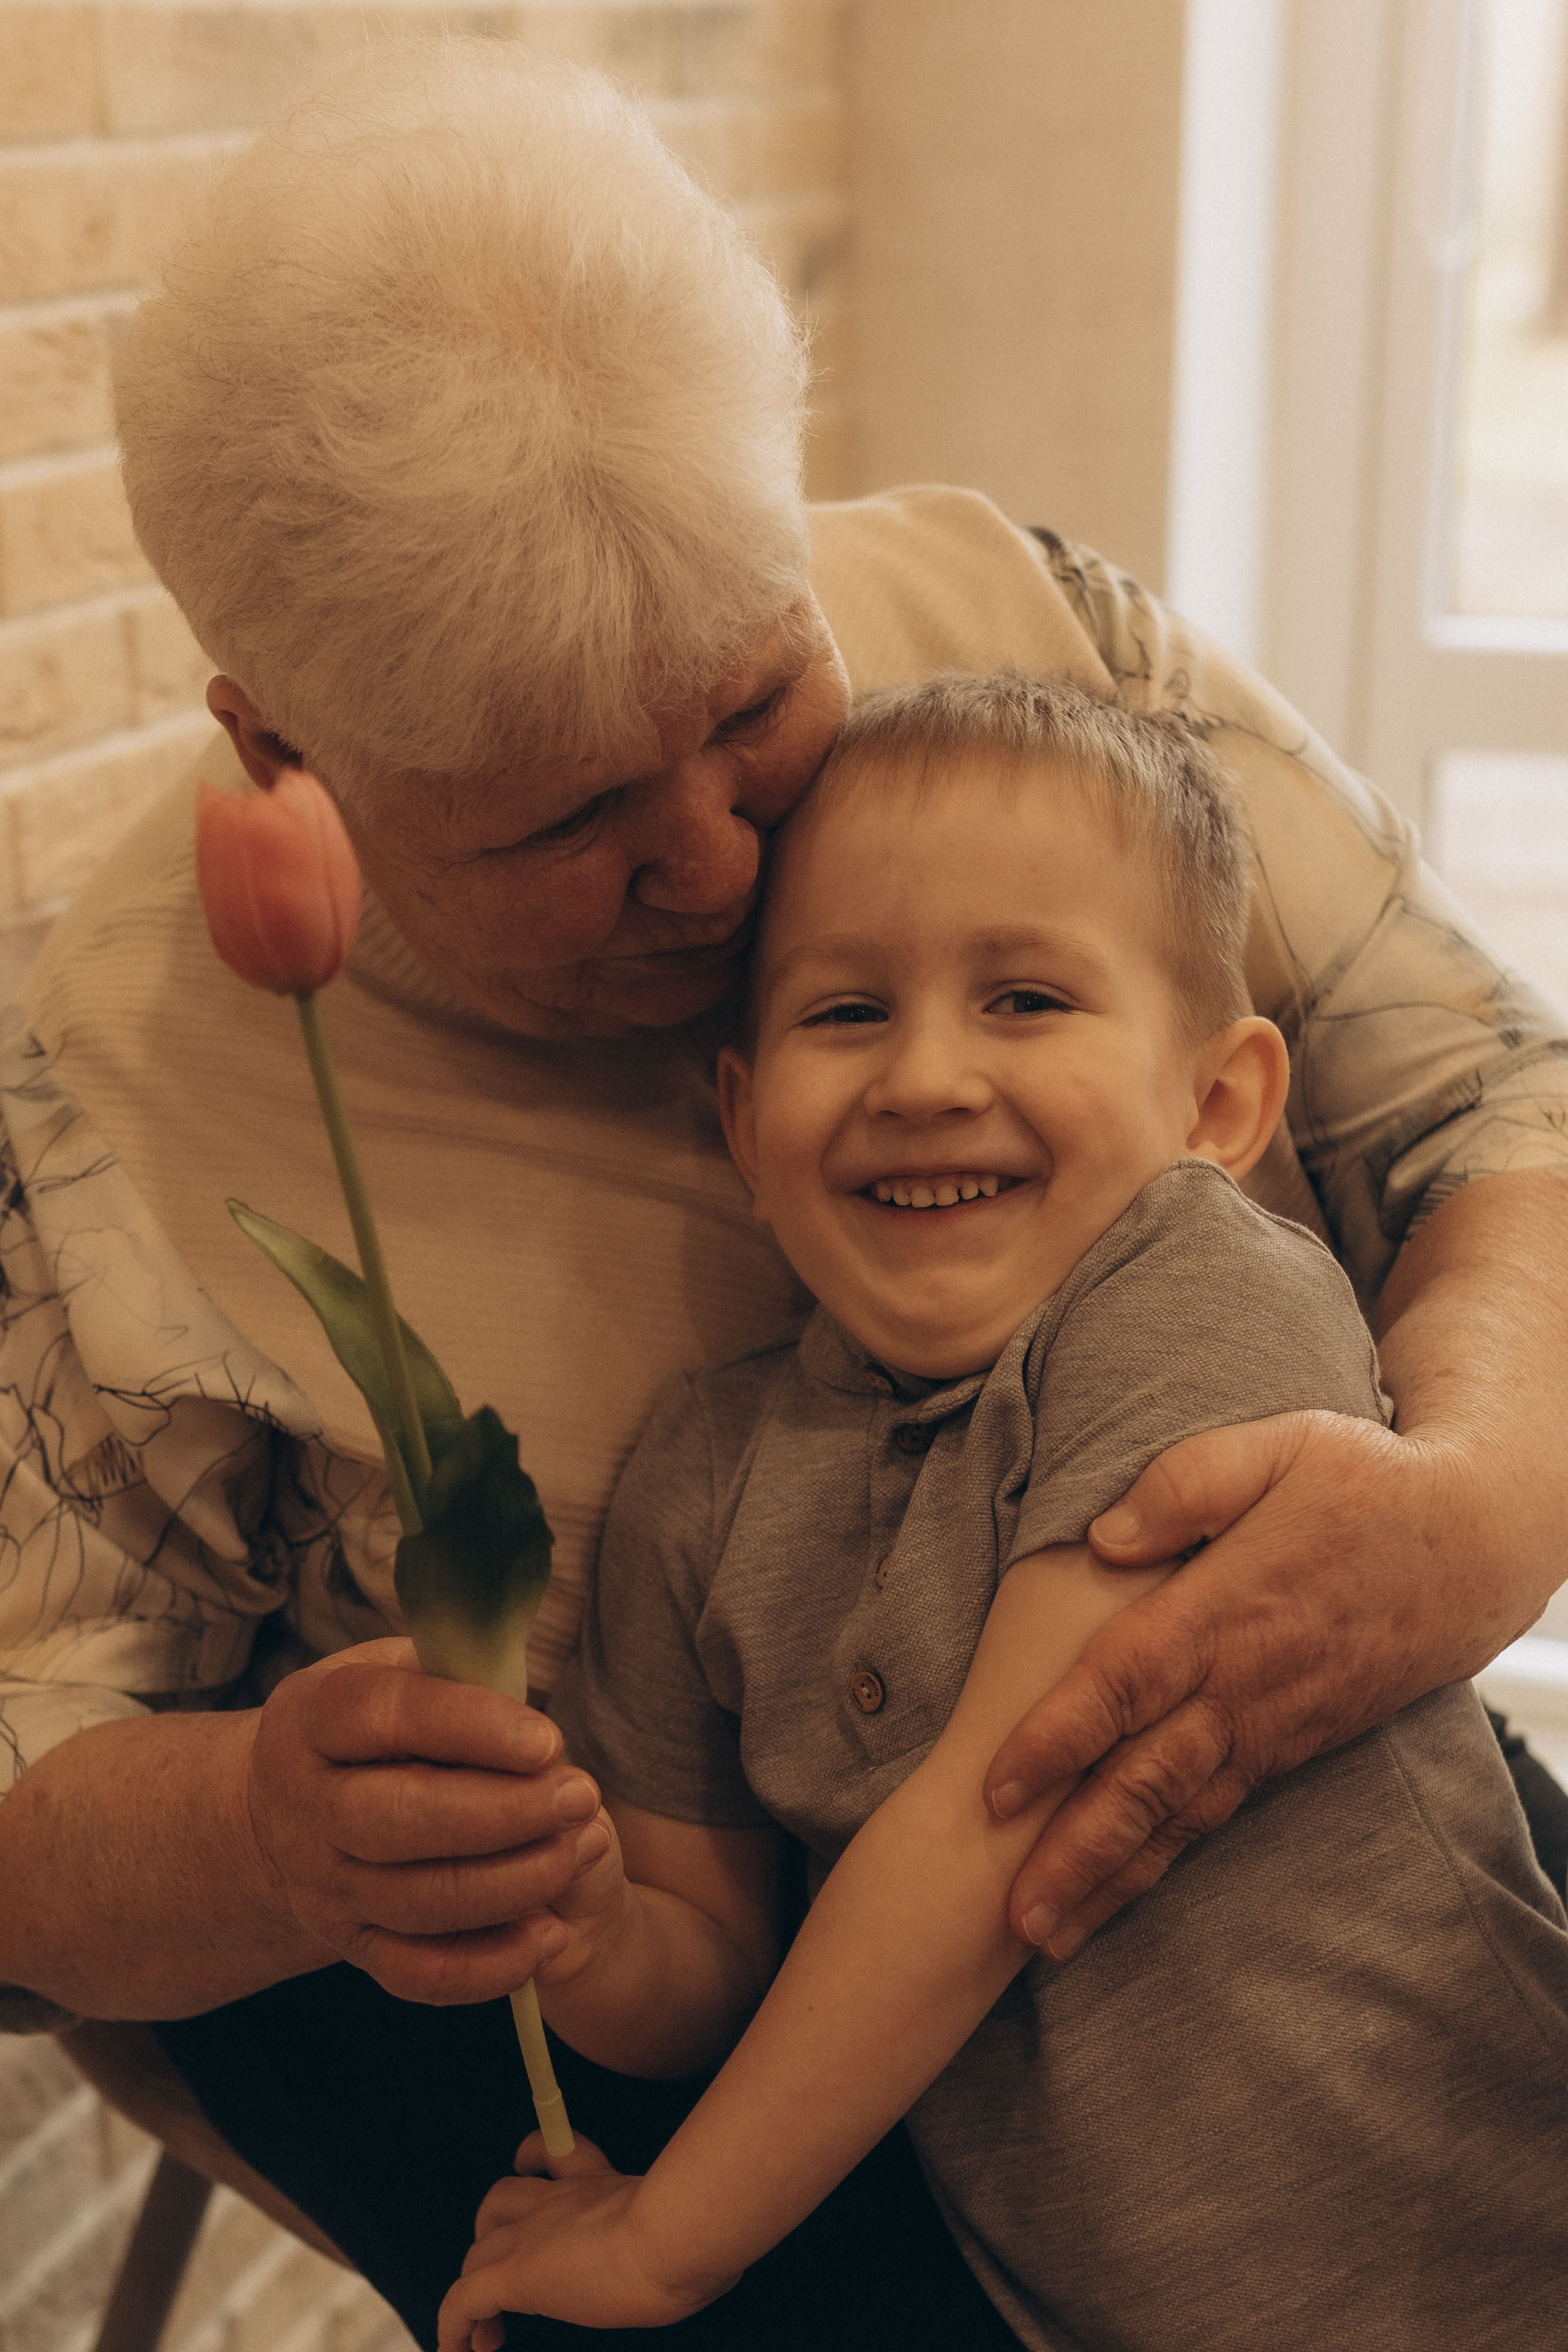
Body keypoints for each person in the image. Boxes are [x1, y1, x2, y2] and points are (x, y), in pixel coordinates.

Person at [0, 35, 1566, 2346]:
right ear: (279, 742)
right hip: (587, 1980)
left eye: (757, 705)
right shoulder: (106, 1108)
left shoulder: (1039, 661)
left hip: (1298, 1869)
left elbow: (1497, 1110)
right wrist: (264, 1837)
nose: (727, 865)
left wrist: (1480, 1508)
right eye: (564, 823)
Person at [440, 675, 1568, 2352]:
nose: (926, 1076)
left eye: (1026, 998)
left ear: (1218, 1109)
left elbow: (1004, 1815)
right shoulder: (695, 1483)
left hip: (1487, 2253)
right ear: (743, 1123)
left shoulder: (1204, 1290)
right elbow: (721, 1972)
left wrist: (664, 2246)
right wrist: (590, 1927)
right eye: (845, 1014)